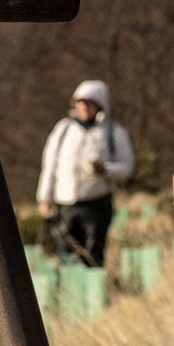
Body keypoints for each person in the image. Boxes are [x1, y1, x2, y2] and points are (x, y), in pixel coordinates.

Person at [37, 80, 134, 268]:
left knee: (93, 255)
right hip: (65, 203)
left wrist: (104, 169)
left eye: (89, 102)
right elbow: (49, 165)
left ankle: (93, 293)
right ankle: (68, 292)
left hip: (97, 203)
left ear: (100, 105)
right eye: (80, 102)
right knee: (65, 253)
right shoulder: (62, 130)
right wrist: (44, 197)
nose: (84, 107)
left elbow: (127, 168)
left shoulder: (113, 133)